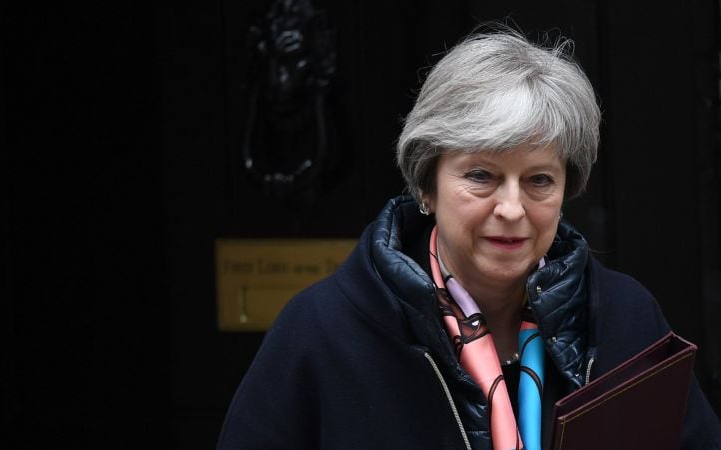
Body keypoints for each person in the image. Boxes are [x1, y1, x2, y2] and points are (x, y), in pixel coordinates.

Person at [217, 23, 721, 450]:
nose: (511, 208)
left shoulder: (627, 319)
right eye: (480, 175)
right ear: (426, 185)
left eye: (538, 180)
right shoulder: (321, 331)